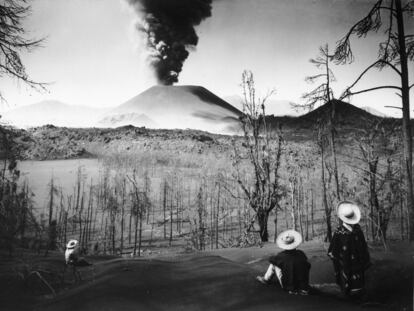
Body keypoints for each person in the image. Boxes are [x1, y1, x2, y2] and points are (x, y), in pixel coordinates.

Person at [328, 201, 371, 298]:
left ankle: (359, 293)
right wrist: (339, 259)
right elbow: (333, 250)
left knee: (359, 284)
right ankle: (347, 294)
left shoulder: (358, 230)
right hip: (345, 262)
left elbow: (363, 245)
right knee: (347, 283)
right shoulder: (339, 232)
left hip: (358, 262)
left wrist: (364, 258)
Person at [256, 229, 311, 295]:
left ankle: (266, 279)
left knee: (274, 264)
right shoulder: (301, 254)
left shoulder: (281, 256)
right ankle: (302, 287)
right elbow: (308, 265)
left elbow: (271, 259)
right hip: (304, 286)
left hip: (289, 286)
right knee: (301, 265)